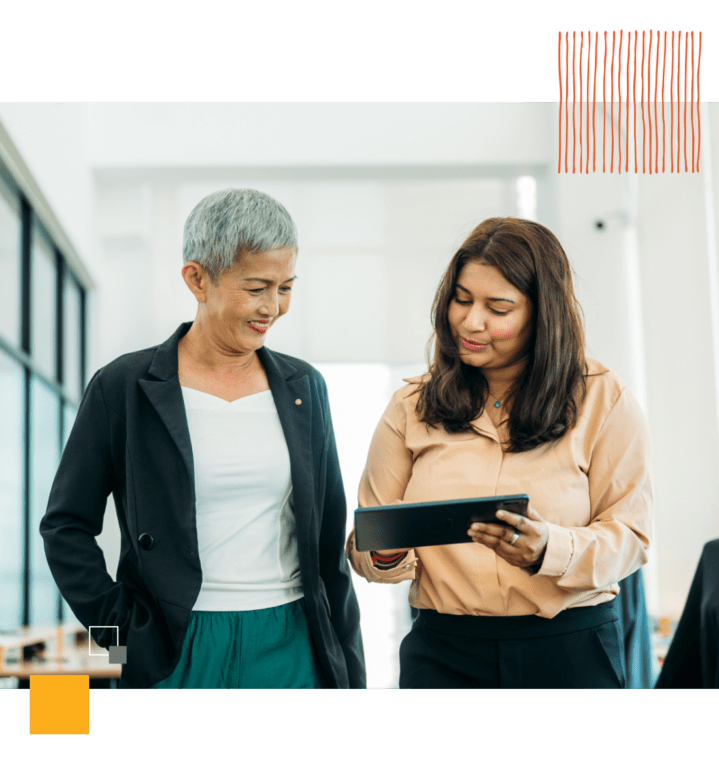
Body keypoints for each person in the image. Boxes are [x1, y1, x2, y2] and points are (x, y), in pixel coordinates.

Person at [41, 188, 365, 690]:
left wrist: (347, 662)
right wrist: (118, 640)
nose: (273, 307)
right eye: (256, 287)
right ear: (197, 279)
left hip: (292, 639)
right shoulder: (121, 388)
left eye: (286, 287)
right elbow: (65, 526)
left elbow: (327, 548)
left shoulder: (305, 388)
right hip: (169, 643)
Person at [346, 217, 652, 689]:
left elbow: (630, 538)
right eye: (462, 299)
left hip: (568, 649)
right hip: (444, 652)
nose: (471, 322)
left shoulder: (603, 400)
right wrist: (383, 552)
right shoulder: (410, 405)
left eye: (498, 307)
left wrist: (549, 548)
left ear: (541, 313)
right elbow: (370, 543)